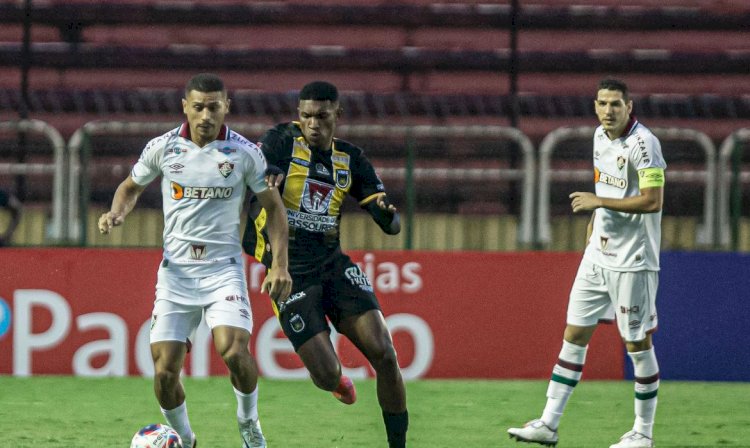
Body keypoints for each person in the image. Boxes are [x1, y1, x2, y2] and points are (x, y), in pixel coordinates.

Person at [98, 73, 292, 448]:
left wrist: (279, 265)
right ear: (185, 106)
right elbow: (130, 186)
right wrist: (117, 212)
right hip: (176, 274)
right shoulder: (163, 147)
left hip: (223, 271)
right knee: (164, 373)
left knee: (234, 350)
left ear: (226, 108)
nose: (206, 115)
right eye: (199, 107)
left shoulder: (245, 153)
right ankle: (185, 440)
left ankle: (248, 421)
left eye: (214, 107)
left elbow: (274, 210)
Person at [242, 81, 409, 448]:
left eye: (321, 116)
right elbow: (264, 156)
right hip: (290, 272)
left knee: (384, 352)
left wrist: (386, 217)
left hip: (333, 265)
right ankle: (337, 383)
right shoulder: (283, 141)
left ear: (338, 115)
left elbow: (390, 223)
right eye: (305, 116)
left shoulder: (350, 159)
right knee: (326, 372)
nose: (312, 124)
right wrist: (268, 168)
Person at [507, 78, 666, 448]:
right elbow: (606, 185)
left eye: (615, 104)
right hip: (598, 255)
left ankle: (643, 433)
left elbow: (652, 201)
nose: (608, 111)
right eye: (602, 104)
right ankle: (548, 424)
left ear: (630, 106)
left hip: (633, 260)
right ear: (595, 106)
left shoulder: (646, 144)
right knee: (574, 334)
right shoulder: (598, 137)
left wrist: (598, 203)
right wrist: (595, 225)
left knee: (637, 343)